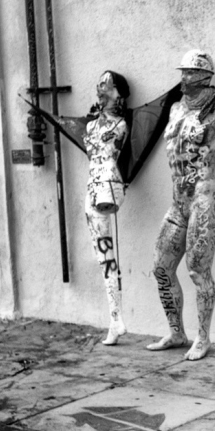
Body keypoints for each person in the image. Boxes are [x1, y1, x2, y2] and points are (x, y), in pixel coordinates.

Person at [147, 50, 215, 361]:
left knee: (198, 271)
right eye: (182, 72)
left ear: (205, 77)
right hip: (178, 201)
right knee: (161, 267)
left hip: (202, 198)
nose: (183, 77)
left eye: (189, 72)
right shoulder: (175, 109)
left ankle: (203, 337)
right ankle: (176, 332)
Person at [82, 71, 131, 346]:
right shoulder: (92, 126)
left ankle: (116, 319)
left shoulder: (119, 125)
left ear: (118, 93)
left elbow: (108, 143)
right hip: (92, 186)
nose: (100, 88)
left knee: (106, 258)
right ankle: (115, 318)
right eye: (99, 83)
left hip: (107, 186)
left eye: (106, 85)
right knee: (103, 257)